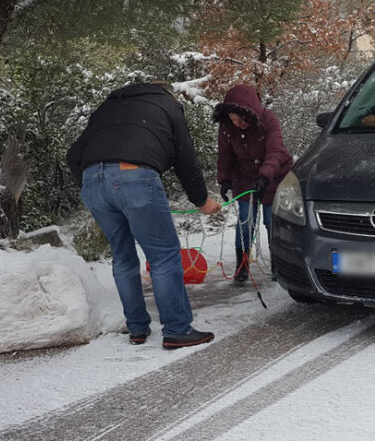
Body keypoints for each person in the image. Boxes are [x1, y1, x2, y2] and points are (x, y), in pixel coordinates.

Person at [67, 82, 222, 350]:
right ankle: (177, 329)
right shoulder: (167, 105)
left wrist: (94, 181)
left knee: (122, 255)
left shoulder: (108, 107)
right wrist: (201, 200)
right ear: (167, 92)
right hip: (135, 176)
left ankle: (137, 328)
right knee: (163, 255)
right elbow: (185, 156)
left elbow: (73, 155)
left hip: (93, 180)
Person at [213, 85, 293, 282]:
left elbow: (276, 152)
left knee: (270, 221)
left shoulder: (268, 120)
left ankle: (279, 265)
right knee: (245, 222)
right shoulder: (227, 127)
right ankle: (242, 266)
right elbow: (225, 155)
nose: (237, 123)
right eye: (233, 120)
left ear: (249, 113)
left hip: (273, 177)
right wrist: (224, 179)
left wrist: (264, 176)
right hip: (245, 178)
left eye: (240, 120)